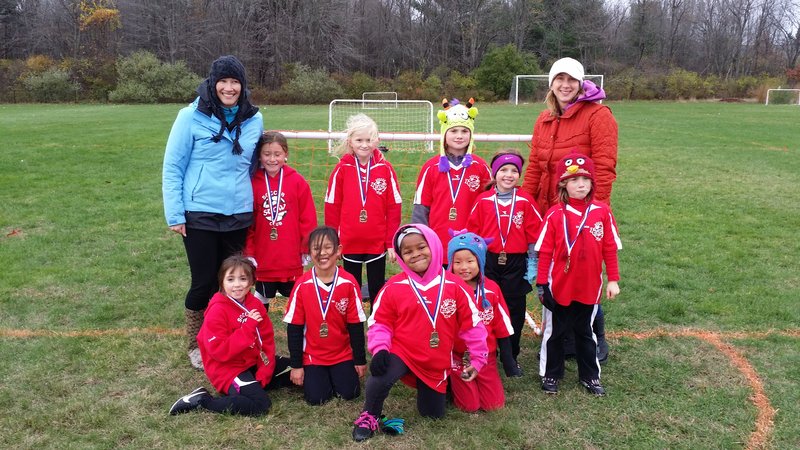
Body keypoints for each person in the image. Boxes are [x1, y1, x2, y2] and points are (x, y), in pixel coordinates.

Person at [162, 55, 263, 370]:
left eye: (235, 82)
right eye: (223, 81)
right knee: (204, 281)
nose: (229, 88)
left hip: (238, 213)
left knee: (233, 281)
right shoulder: (189, 116)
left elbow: (256, 164)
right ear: (212, 83)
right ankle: (196, 343)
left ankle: (230, 335)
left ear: (242, 85)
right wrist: (175, 214)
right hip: (200, 213)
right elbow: (173, 167)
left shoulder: (255, 119)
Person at [351, 224, 489, 442]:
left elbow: (472, 325)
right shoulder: (394, 286)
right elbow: (380, 322)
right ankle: (370, 414)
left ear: (433, 246)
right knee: (379, 376)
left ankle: (442, 385)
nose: (415, 254)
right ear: (400, 256)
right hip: (403, 351)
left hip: (436, 357)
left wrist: (478, 358)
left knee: (432, 414)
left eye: (421, 247)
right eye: (408, 251)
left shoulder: (455, 285)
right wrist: (380, 349)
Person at [521, 57, 618, 363]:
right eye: (559, 79)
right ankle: (562, 336)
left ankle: (594, 335)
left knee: (584, 272)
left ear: (580, 83)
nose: (565, 85)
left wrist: (595, 210)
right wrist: (524, 204)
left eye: (571, 80)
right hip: (549, 211)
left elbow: (604, 167)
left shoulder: (598, 115)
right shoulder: (544, 119)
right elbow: (535, 167)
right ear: (551, 83)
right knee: (556, 272)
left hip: (582, 212)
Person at [534, 154, 621, 396]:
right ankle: (551, 373)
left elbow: (610, 248)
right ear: (563, 184)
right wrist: (541, 284)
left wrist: (613, 279)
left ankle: (590, 376)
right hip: (559, 286)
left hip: (589, 286)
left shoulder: (602, 212)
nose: (581, 184)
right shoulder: (554, 214)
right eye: (574, 180)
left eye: (585, 179)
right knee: (555, 332)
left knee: (585, 332)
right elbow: (545, 252)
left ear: (592, 183)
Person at [168, 255, 291, 416]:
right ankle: (202, 400)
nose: (237, 285)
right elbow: (219, 351)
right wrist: (248, 327)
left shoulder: (255, 304)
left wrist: (265, 368)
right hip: (228, 369)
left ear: (251, 282)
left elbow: (266, 339)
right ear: (222, 282)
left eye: (243, 279)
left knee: (297, 367)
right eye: (231, 279)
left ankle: (255, 384)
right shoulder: (216, 310)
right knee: (261, 405)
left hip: (252, 361)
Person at [467, 150, 542, 371]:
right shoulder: (483, 200)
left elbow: (534, 234)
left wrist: (533, 262)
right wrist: (474, 262)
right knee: (485, 305)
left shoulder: (526, 201)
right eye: (503, 170)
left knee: (514, 309)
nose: (509, 175)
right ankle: (487, 351)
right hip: (488, 262)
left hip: (516, 263)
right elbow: (473, 234)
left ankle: (511, 355)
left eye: (514, 171)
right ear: (494, 173)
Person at [282, 226, 368, 405]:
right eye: (316, 248)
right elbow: (294, 328)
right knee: (316, 398)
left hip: (342, 354)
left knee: (350, 393)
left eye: (328, 247)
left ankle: (338, 373)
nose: (322, 253)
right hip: (313, 356)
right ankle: (316, 375)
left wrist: (359, 360)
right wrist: (297, 366)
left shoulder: (349, 283)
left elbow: (355, 325)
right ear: (309, 252)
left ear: (339, 250)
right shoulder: (302, 285)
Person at [325, 114, 402, 303]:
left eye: (369, 140)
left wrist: (390, 242)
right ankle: (354, 319)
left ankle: (378, 319)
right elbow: (332, 206)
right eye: (359, 140)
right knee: (352, 288)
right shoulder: (341, 169)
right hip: (349, 241)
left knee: (377, 287)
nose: (365, 145)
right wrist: (334, 241)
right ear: (350, 142)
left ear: (377, 141)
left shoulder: (385, 169)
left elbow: (394, 207)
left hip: (377, 241)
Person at [447, 230, 520, 413]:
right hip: (458, 356)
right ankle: (450, 380)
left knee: (494, 405)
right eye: (457, 262)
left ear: (480, 261)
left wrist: (508, 359)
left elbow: (502, 326)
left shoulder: (492, 290)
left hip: (486, 357)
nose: (464, 267)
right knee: (469, 406)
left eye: (470, 261)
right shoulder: (446, 290)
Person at [412, 98, 491, 265]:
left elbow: (490, 208)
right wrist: (422, 240)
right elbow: (421, 208)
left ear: (471, 134)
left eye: (464, 131)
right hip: (437, 244)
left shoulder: (481, 167)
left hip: (472, 245)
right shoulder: (431, 167)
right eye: (454, 131)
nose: (459, 136)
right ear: (444, 134)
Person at [244, 131, 317, 312]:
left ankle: (299, 328)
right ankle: (259, 328)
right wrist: (249, 251)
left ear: (286, 154)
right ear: (259, 156)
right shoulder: (252, 183)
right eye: (267, 154)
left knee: (296, 296)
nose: (272, 159)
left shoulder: (297, 181)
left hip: (290, 254)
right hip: (264, 254)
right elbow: (248, 223)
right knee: (261, 294)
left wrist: (306, 247)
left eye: (277, 154)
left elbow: (307, 218)